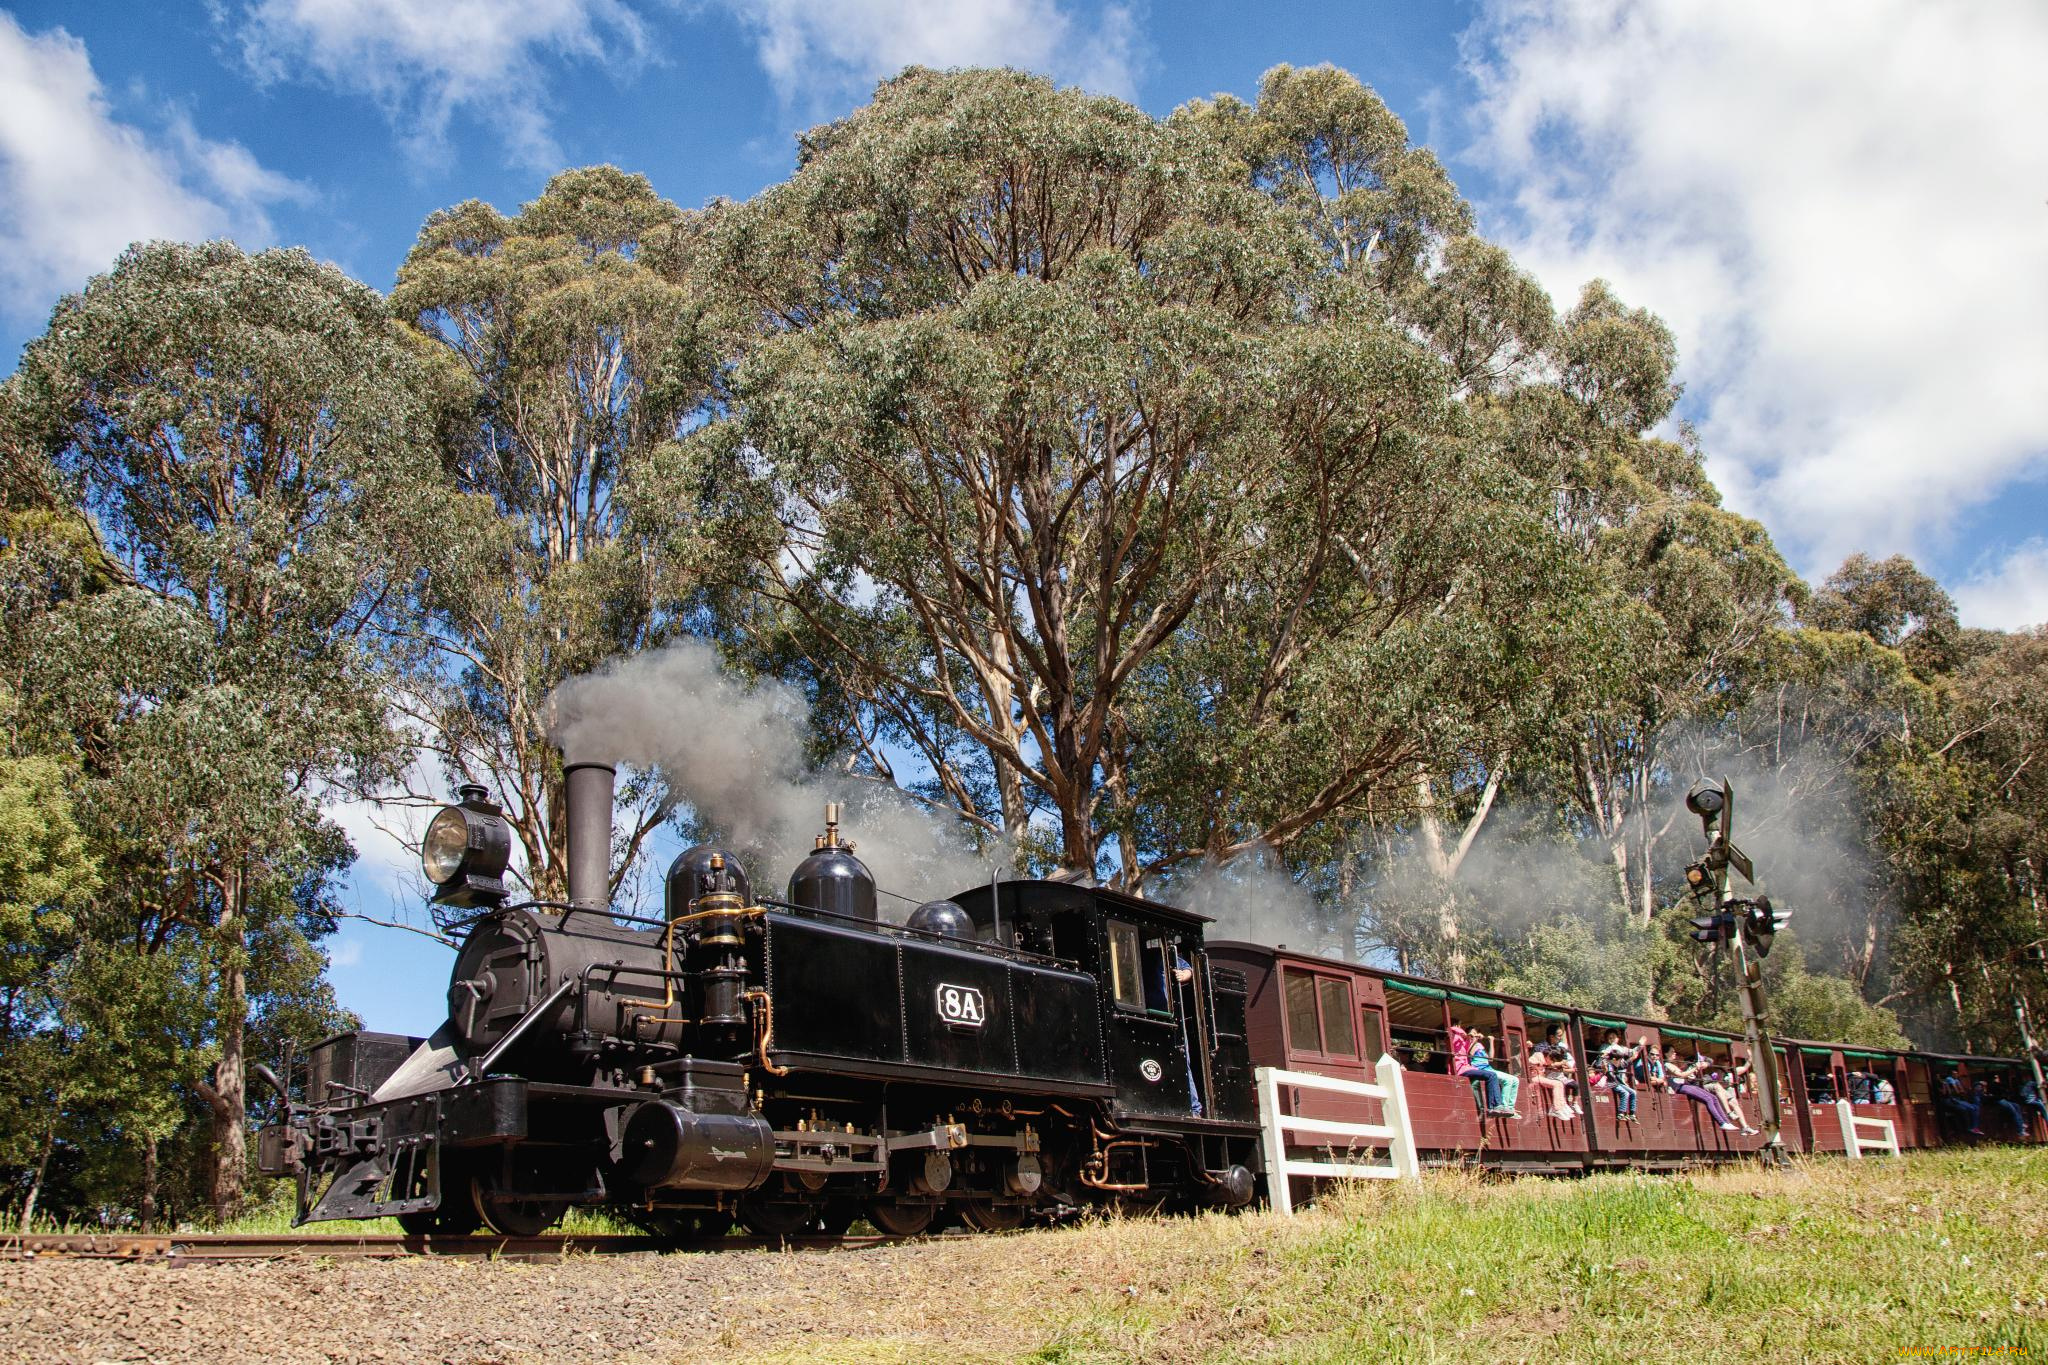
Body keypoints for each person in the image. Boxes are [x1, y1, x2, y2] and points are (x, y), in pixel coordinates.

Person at [1449, 1023, 1517, 1117]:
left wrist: (1472, 1038)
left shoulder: (1463, 1041)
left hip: (1467, 1067)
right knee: (1491, 1075)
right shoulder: (1453, 1036)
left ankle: (1497, 1106)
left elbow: (1467, 1047)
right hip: (1460, 1069)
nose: (1461, 1028)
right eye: (1459, 1026)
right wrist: (1466, 1034)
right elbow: (1455, 1033)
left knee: (1493, 1076)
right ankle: (1494, 1106)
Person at [1664, 1046, 1738, 1131]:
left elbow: (1683, 1075)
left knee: (1713, 1098)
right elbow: (1681, 1075)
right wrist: (1695, 1067)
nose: (1675, 1053)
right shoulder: (1667, 1064)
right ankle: (1722, 1123)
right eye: (1672, 1052)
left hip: (1684, 1085)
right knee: (1708, 1098)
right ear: (1666, 1054)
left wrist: (1690, 1074)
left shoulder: (1673, 1063)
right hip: (1679, 1087)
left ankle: (1727, 1122)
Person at [1696, 1054, 1759, 1135]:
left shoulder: (1732, 1071)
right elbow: (1712, 1081)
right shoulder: (1715, 1070)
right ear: (1719, 1061)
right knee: (1728, 1096)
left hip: (1723, 1092)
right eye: (1724, 1060)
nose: (1727, 1062)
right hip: (1713, 1090)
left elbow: (1745, 1067)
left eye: (1728, 1061)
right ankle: (1729, 1114)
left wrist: (1750, 1058)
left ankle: (1745, 1127)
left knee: (1734, 1102)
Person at [1597, 1028, 1640, 1126]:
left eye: (1613, 1037)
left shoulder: (1617, 1059)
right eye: (1609, 1037)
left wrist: (1638, 1049)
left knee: (1633, 1092)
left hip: (1617, 1081)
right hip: (1611, 1082)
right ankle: (1621, 1113)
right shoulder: (1607, 1060)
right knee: (1625, 1093)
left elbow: (1624, 1063)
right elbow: (1605, 1066)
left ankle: (1632, 1113)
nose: (1611, 1039)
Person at [1939, 1073, 1984, 1138]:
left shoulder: (1956, 1081)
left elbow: (1961, 1091)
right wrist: (1947, 1086)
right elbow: (1952, 1092)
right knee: (1966, 1109)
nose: (1956, 1075)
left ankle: (1974, 1128)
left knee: (1975, 1108)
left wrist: (1958, 1086)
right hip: (1950, 1100)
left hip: (1957, 1099)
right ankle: (1969, 1128)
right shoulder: (1947, 1081)